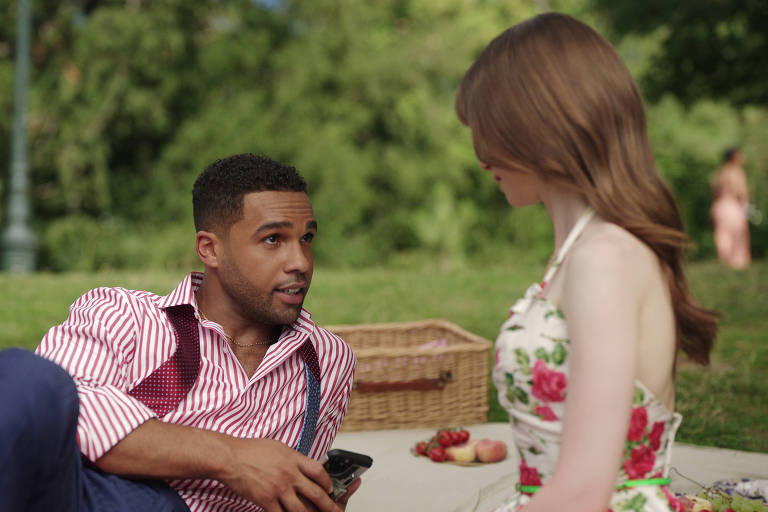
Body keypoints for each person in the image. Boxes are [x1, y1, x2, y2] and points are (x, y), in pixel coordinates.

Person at [454, 13, 719, 512]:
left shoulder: (603, 258)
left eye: (487, 131)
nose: (480, 156)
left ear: (533, 127)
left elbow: (583, 493)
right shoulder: (584, 251)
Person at [0, 154, 359, 512]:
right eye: (273, 239)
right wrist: (232, 457)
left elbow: (285, 489)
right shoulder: (123, 315)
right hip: (85, 498)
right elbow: (78, 416)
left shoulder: (328, 361)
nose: (299, 261)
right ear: (210, 249)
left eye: (307, 238)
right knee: (25, 375)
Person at [711, 147, 751, 269]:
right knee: (737, 236)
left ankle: (724, 263)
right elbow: (740, 192)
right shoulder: (736, 172)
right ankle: (738, 265)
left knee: (723, 236)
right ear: (734, 157)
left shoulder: (719, 173)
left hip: (720, 207)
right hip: (733, 207)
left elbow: (713, 192)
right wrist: (747, 206)